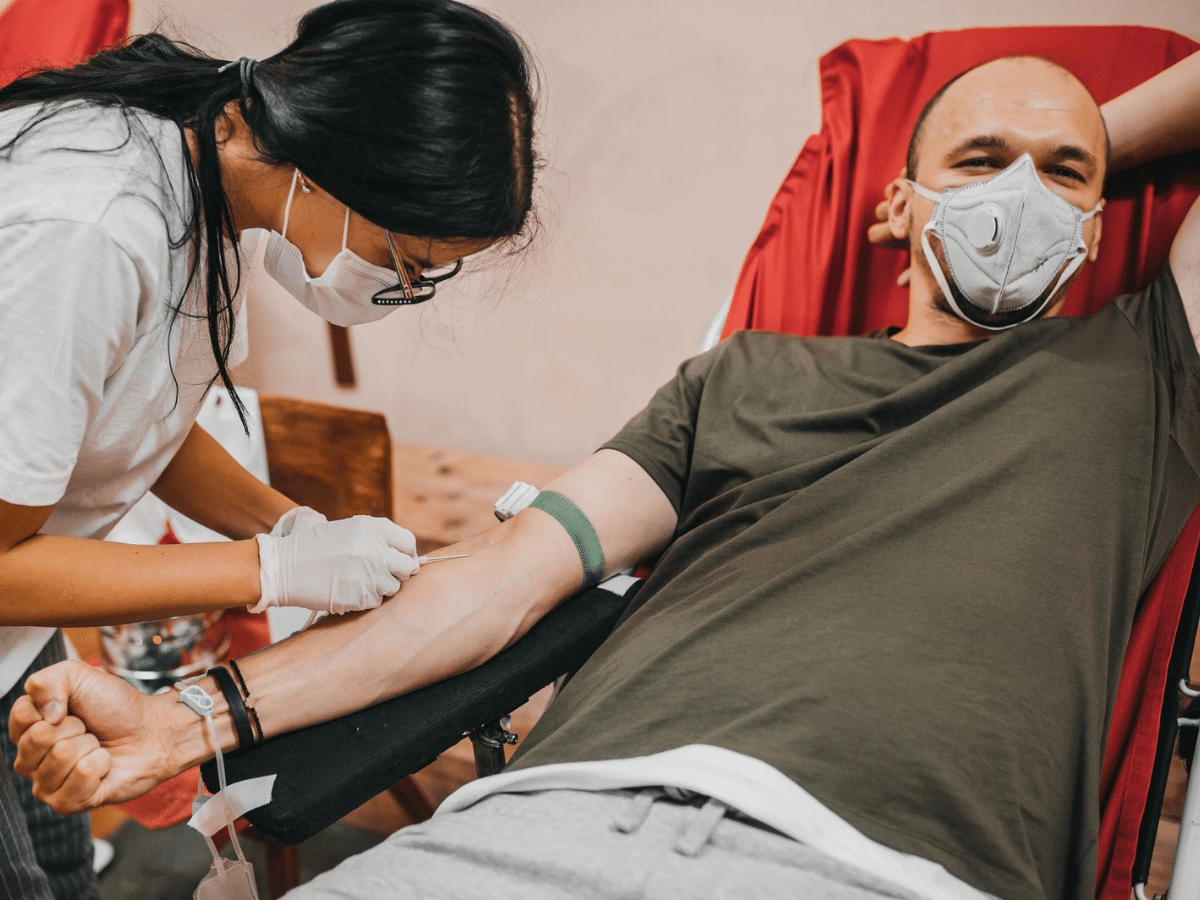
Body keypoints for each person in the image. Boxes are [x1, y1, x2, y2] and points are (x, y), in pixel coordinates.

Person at [10, 49, 1200, 900]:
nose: (1019, 198)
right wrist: (179, 720)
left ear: (1104, 215)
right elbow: (494, 587)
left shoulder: (1136, 383)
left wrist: (1072, 147)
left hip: (873, 866)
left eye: (1064, 175)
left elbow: (140, 426)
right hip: (530, 833)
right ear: (894, 206)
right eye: (983, 159)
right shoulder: (741, 379)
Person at [0, 0, 539, 896]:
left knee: (61, 876)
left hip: (17, 637)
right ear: (336, 173)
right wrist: (270, 570)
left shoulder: (203, 169)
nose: (398, 286)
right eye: (404, 260)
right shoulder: (86, 230)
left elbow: (136, 421)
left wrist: (291, 522)